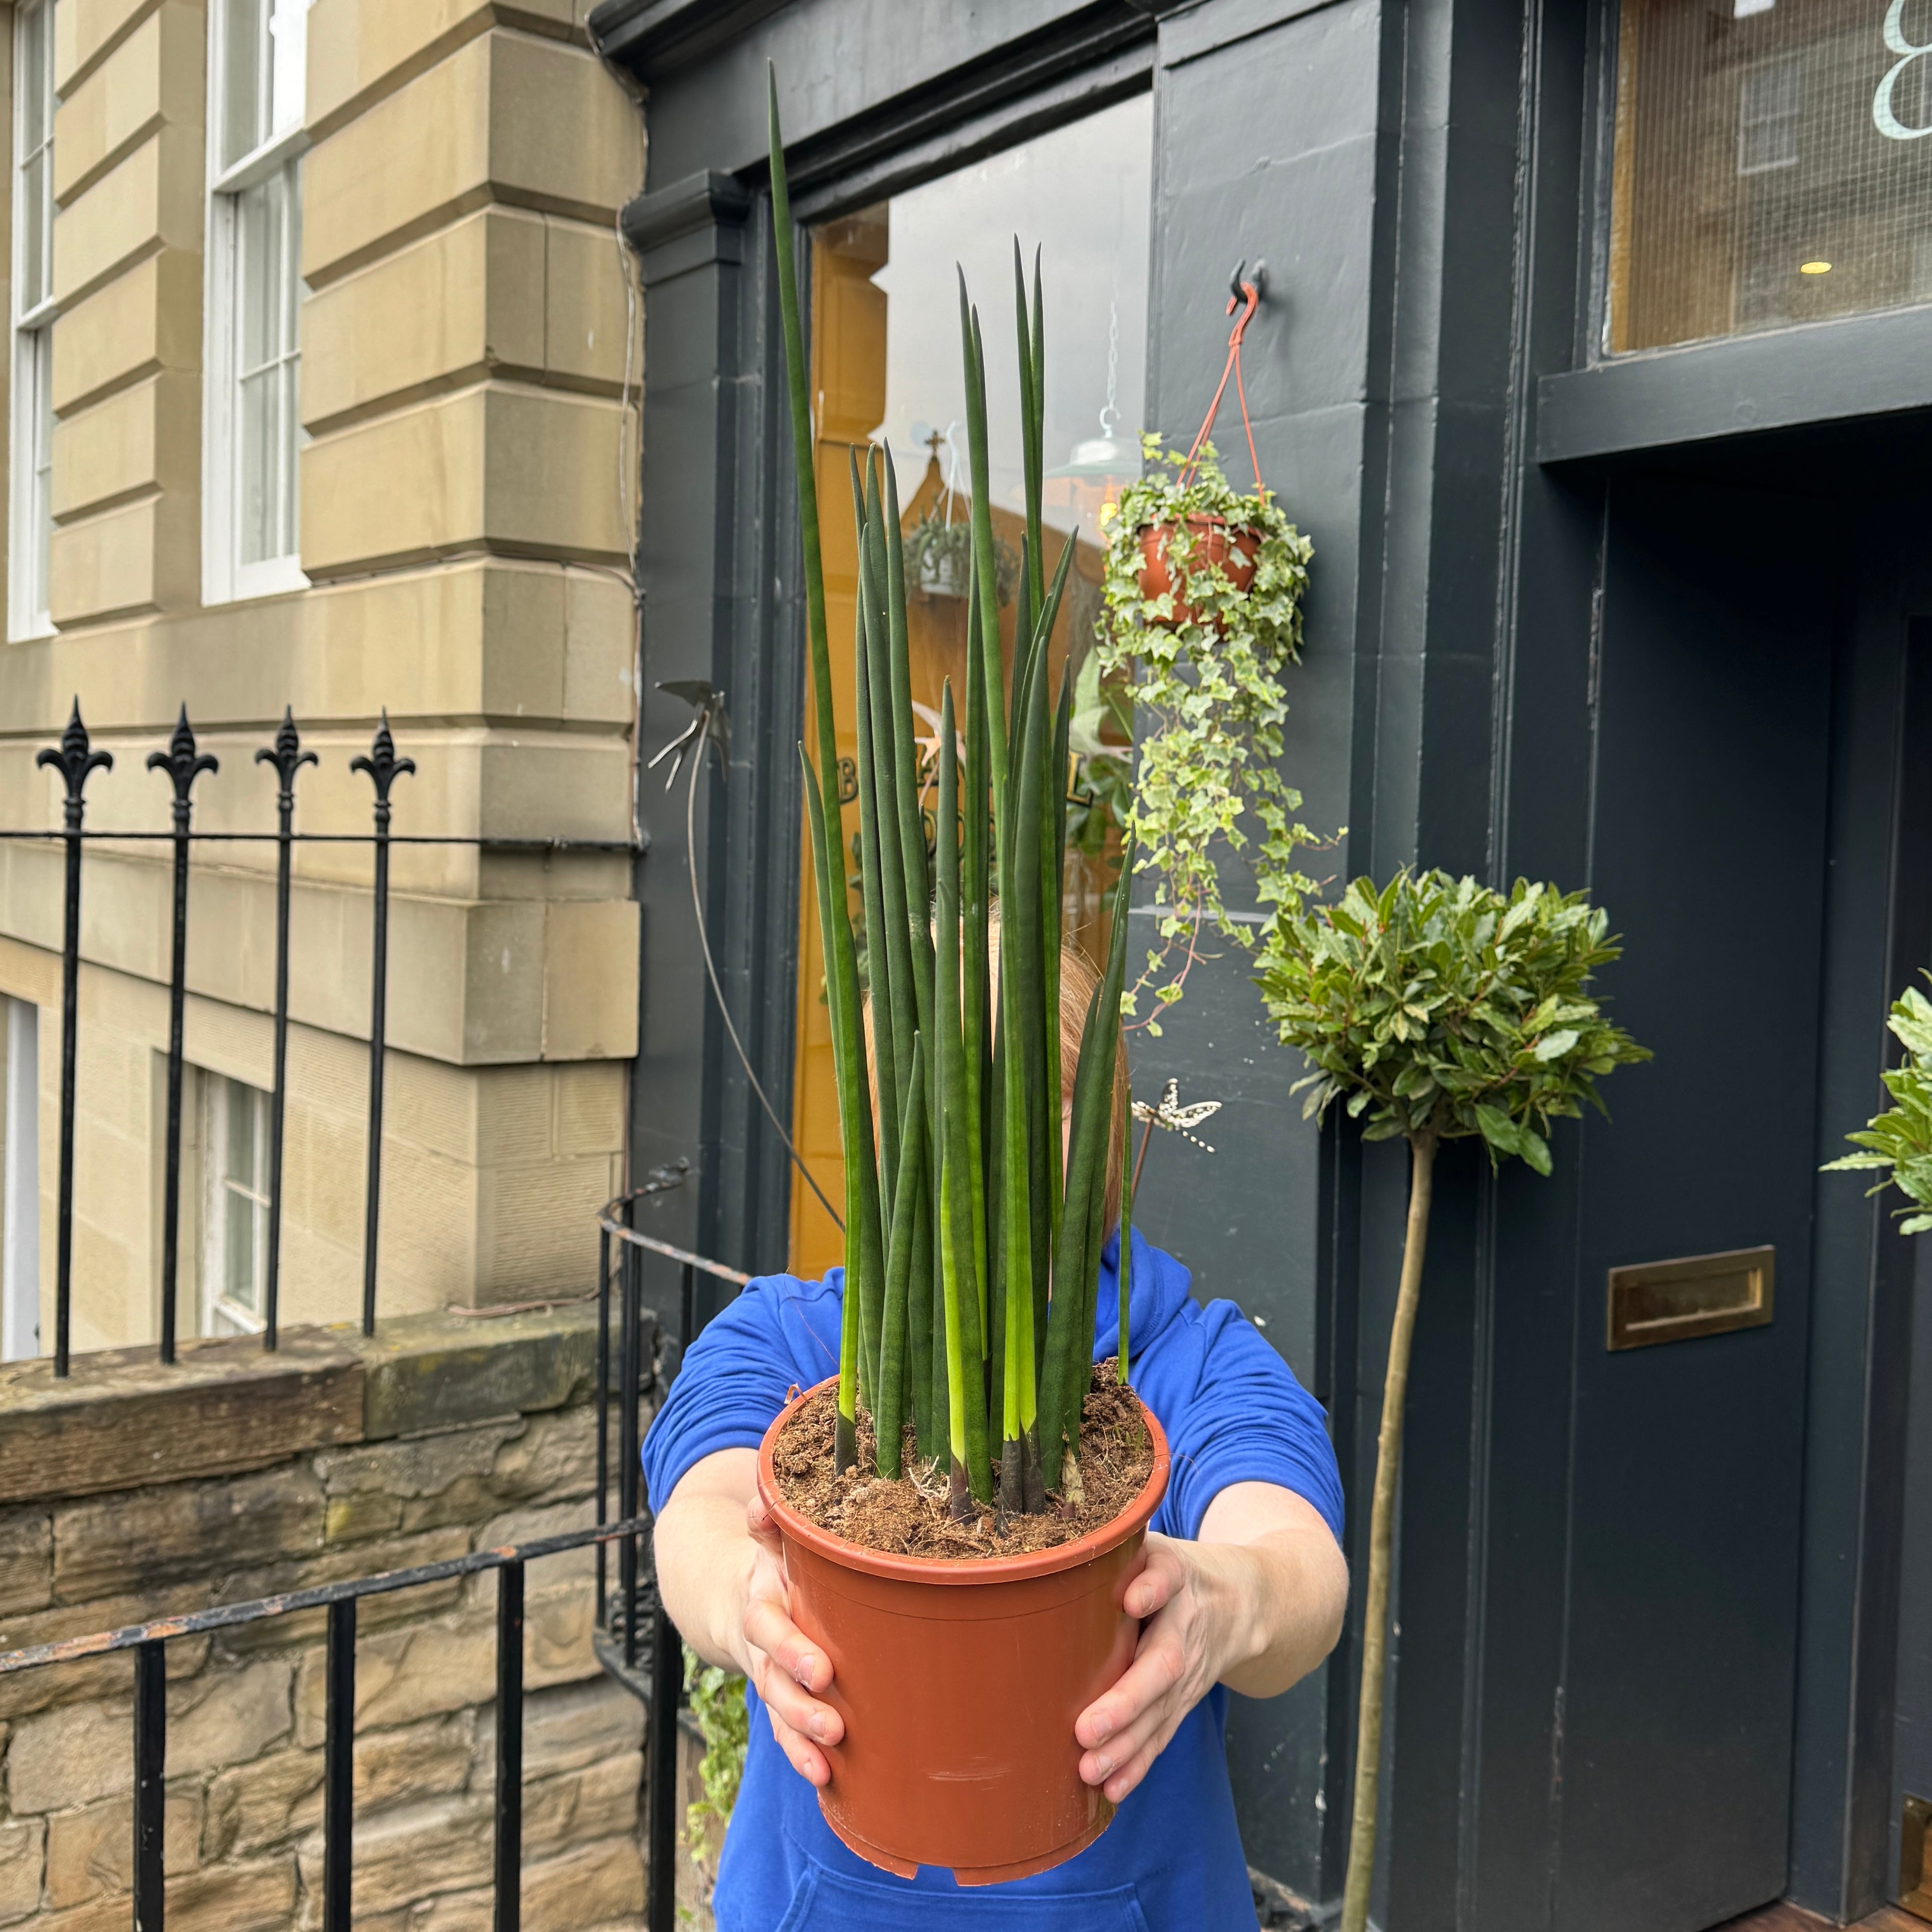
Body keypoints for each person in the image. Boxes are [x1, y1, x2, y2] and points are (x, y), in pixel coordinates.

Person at [643, 944, 1349, 1929]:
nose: (997, 1152)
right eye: (960, 1109)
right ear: (894, 1132)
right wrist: (743, 1604)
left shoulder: (1190, 1362)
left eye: (1043, 1111)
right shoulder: (788, 1337)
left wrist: (1226, 1602)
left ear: (1100, 1129)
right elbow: (702, 1509)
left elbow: (1297, 1562)